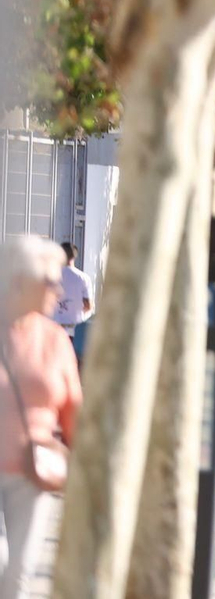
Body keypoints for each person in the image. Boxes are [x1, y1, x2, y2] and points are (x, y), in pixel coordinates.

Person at [1, 236, 80, 594]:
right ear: (19, 281)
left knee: (20, 571)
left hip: (34, 472)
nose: (59, 290)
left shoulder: (55, 340)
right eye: (50, 281)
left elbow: (73, 410)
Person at [52, 241, 94, 366]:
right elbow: (88, 305)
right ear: (75, 256)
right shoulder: (83, 278)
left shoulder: (51, 276)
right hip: (75, 331)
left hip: (54, 328)